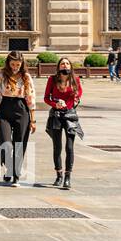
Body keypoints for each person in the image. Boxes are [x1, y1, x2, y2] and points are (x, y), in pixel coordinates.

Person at [0, 51, 36, 186]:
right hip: (5, 108)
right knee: (6, 143)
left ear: (22, 64)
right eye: (12, 64)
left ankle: (15, 174)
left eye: (17, 64)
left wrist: (33, 120)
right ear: (8, 63)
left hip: (22, 109)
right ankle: (6, 160)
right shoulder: (0, 75)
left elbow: (31, 97)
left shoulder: (26, 77)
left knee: (20, 143)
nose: (15, 67)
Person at [43, 57, 83, 189]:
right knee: (57, 147)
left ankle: (67, 177)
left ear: (70, 66)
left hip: (70, 115)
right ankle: (59, 174)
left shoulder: (75, 80)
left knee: (70, 147)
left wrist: (74, 102)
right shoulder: (52, 79)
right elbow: (46, 98)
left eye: (67, 64)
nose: (65, 66)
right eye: (62, 64)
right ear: (59, 67)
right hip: (56, 115)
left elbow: (79, 93)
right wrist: (55, 104)